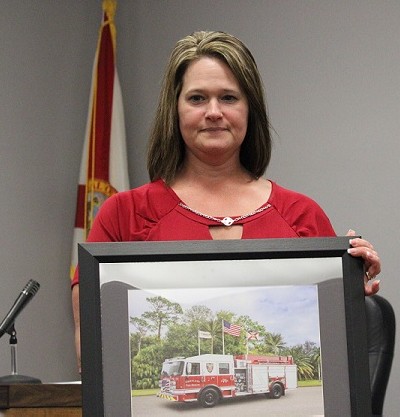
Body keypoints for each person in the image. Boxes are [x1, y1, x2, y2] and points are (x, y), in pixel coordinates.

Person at [71, 31, 381, 370]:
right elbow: (95, 358)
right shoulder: (122, 215)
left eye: (229, 97)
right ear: (174, 110)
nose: (214, 112)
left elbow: (332, 357)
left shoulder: (303, 215)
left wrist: (348, 286)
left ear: (251, 109)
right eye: (197, 98)